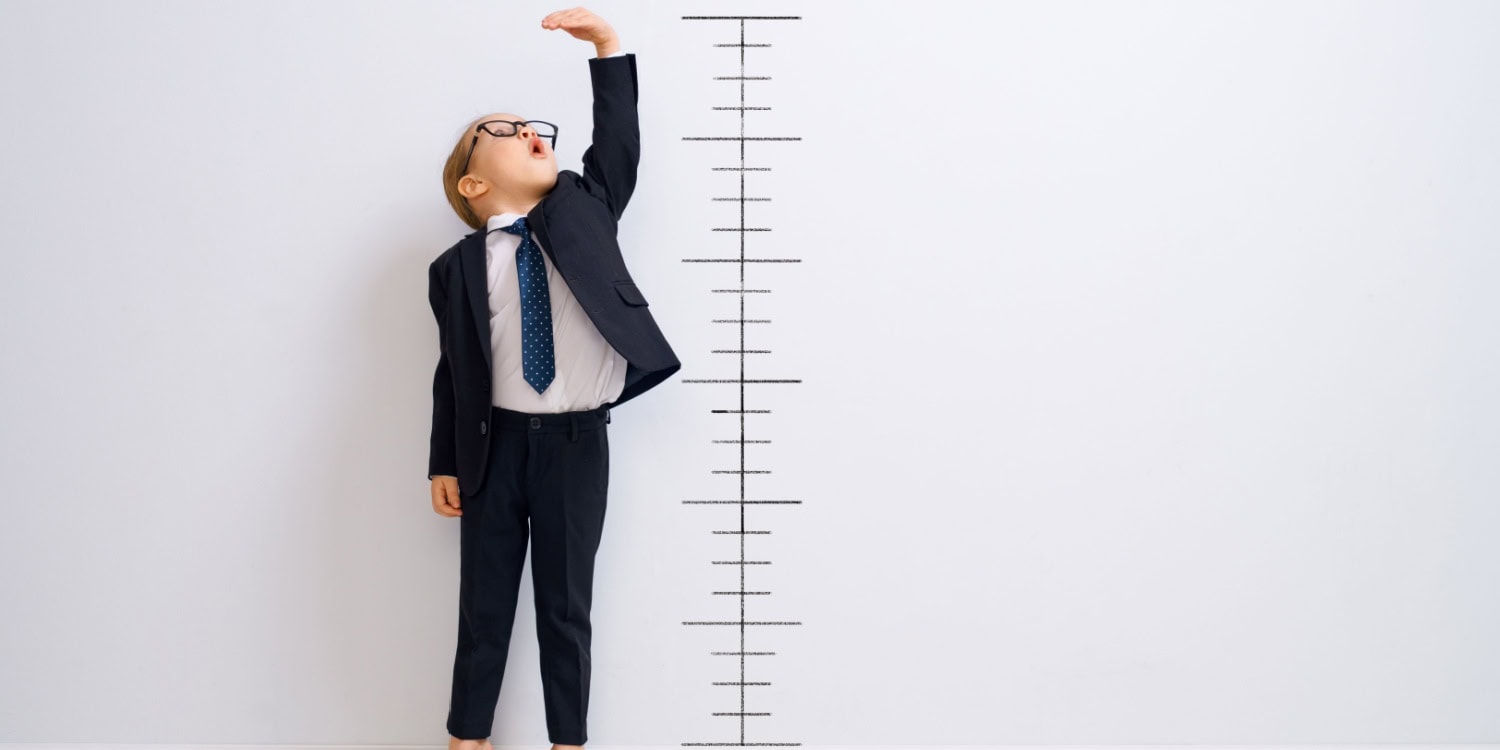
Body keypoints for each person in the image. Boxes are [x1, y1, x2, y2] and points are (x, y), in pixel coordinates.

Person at [425, 8, 681, 750]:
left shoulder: (585, 207)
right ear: (474, 182)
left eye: (530, 125)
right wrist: (443, 459)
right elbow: (453, 369)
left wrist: (606, 48)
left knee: (566, 608)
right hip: (493, 450)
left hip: (576, 446)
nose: (527, 130)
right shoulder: (457, 269)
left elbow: (619, 140)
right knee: (484, 610)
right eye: (500, 130)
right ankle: (467, 740)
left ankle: (569, 742)